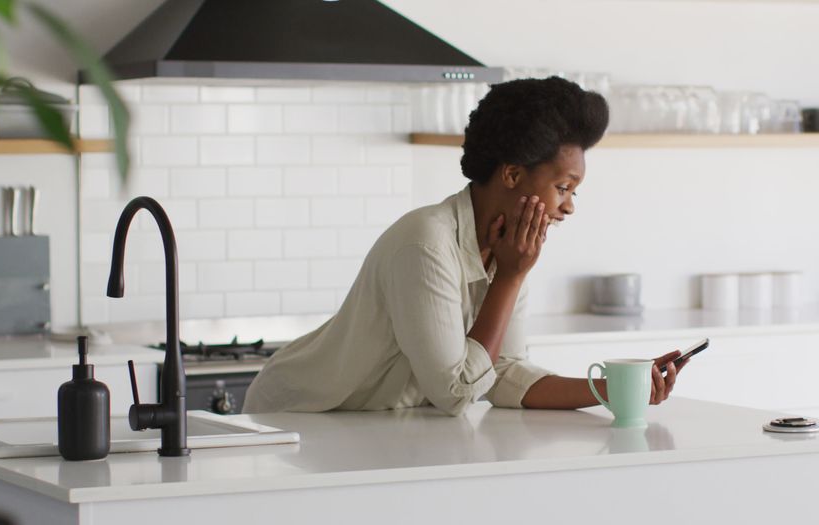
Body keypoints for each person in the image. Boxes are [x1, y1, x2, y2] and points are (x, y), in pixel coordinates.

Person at [243, 77, 686, 417]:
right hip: (295, 419)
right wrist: (510, 279)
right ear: (512, 175)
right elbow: (456, 391)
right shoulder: (425, 244)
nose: (568, 207)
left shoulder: (509, 250)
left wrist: (611, 390)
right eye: (563, 187)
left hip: (369, 426)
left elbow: (502, 373)